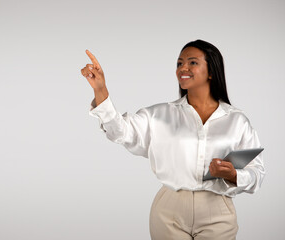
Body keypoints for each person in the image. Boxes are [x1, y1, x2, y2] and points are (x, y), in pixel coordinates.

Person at [80, 39, 265, 240]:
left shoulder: (237, 120)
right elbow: (120, 132)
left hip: (218, 210)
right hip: (169, 211)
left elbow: (257, 172)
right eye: (179, 63)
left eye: (192, 62)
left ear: (211, 71)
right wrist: (101, 90)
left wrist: (233, 175)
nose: (183, 68)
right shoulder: (159, 115)